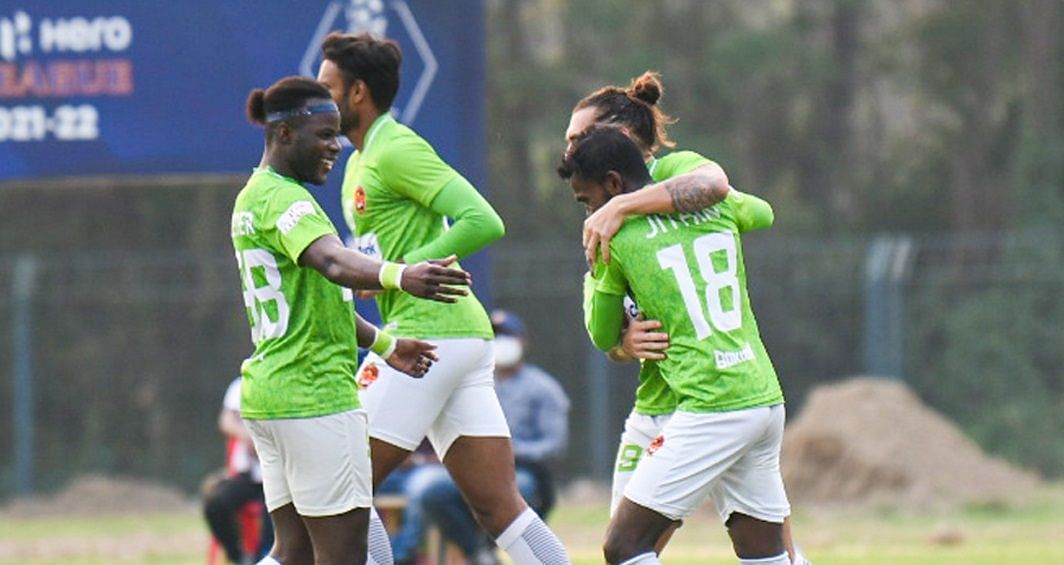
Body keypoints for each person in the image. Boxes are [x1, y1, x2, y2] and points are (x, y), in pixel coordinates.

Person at [316, 32, 570, 565]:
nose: (321, 100)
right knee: (501, 508)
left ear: (358, 92)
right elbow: (387, 255)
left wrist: (402, 272)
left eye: (327, 87)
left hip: (428, 338)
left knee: (339, 487)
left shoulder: (396, 147)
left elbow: (483, 219)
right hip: (457, 339)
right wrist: (380, 273)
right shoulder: (359, 159)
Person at [565, 72, 809, 564]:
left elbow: (598, 329)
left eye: (580, 138)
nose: (569, 148)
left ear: (621, 142)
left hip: (704, 399)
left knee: (624, 546)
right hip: (747, 393)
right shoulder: (708, 210)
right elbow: (751, 210)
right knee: (764, 550)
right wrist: (624, 343)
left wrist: (624, 212)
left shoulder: (658, 191)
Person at [232, 75, 471, 565]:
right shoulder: (288, 201)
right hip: (313, 397)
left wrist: (385, 344)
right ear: (284, 136)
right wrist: (400, 275)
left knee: (292, 552)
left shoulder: (253, 198)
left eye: (338, 133)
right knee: (343, 556)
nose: (337, 146)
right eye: (323, 134)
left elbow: (322, 300)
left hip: (272, 396)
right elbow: (335, 266)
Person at [419, 310, 571, 564]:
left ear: (523, 341)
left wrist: (512, 450)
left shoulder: (544, 389)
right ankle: (479, 554)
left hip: (523, 470)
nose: (501, 343)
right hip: (474, 467)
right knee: (431, 491)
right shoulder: (474, 384)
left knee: (516, 491)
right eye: (495, 336)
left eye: (507, 336)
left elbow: (554, 445)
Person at [204, 376, 274, 564]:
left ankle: (263, 558)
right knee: (217, 503)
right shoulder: (243, 383)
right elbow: (226, 420)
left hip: (277, 476)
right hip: (249, 475)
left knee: (274, 513)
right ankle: (239, 557)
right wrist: (247, 436)